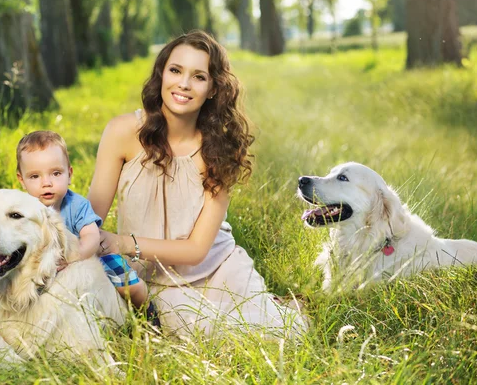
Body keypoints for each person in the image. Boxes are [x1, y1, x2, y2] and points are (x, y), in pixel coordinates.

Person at [88, 30, 307, 338]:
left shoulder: (220, 147)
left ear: (214, 88)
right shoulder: (122, 132)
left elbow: (195, 250)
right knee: (215, 333)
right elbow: (89, 220)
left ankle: (278, 309)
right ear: (162, 73)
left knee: (287, 334)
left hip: (219, 265)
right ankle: (270, 306)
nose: (184, 84)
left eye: (199, 76)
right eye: (175, 70)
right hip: (155, 280)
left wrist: (121, 243)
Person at [16, 131, 153, 315]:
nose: (46, 183)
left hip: (88, 258)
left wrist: (75, 255)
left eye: (56, 173)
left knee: (130, 284)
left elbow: (91, 235)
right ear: (21, 180)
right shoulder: (23, 210)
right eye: (35, 176)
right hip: (43, 265)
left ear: (69, 174)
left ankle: (148, 312)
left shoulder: (76, 205)